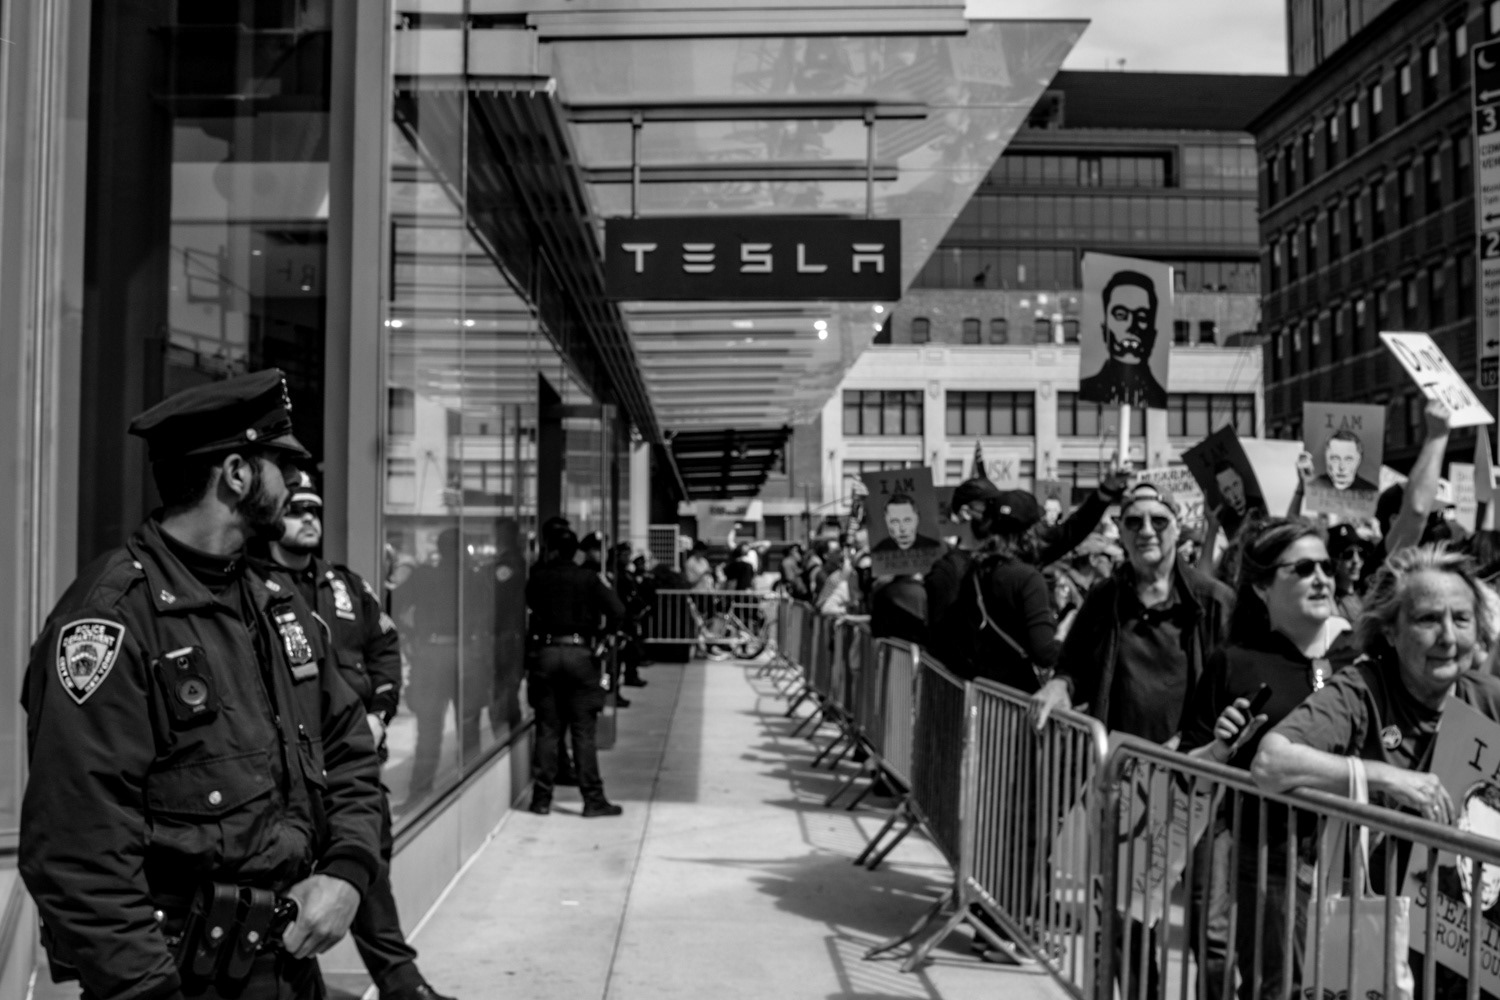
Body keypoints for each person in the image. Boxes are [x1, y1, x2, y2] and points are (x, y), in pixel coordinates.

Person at [19, 370, 383, 1000]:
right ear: (237, 474)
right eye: (280, 464)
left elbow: (348, 748)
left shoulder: (278, 604)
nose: (294, 482)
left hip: (288, 970)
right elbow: (77, 850)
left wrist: (347, 873)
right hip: (172, 982)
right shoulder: (112, 621)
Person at [1030, 481, 1235, 1000]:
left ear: (1177, 526)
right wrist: (1059, 684)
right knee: (1125, 925)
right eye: (1134, 521)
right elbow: (1072, 664)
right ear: (1119, 530)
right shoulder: (1105, 598)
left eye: (1158, 521)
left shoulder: (1212, 601)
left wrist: (1196, 743)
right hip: (1130, 786)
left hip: (1201, 784)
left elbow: (1236, 684)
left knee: (1210, 932)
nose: (1146, 530)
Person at [260, 473, 456, 1000]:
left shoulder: (345, 587)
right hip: (289, 776)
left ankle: (401, 982)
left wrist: (378, 714)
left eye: (315, 511)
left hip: (355, 765)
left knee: (367, 870)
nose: (308, 518)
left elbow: (385, 650)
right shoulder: (252, 588)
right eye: (296, 509)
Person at [1177, 518, 1358, 1000]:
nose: (1322, 578)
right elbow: (1188, 774)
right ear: (1261, 586)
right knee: (1275, 987)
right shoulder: (1235, 662)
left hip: (1349, 863)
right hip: (1268, 857)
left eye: (1327, 566)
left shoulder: (1358, 661)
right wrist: (1219, 748)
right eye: (1302, 568)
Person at [525, 528, 627, 817]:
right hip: (581, 654)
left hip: (545, 654)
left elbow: (530, 605)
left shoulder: (538, 577)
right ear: (575, 551)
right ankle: (592, 799)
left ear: (551, 549)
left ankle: (541, 799)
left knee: (547, 730)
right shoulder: (588, 578)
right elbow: (618, 611)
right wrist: (603, 639)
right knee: (583, 732)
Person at [394, 528, 485, 801]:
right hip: (462, 652)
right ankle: (472, 790)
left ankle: (420, 793)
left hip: (432, 653)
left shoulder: (424, 575)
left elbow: (394, 603)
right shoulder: (473, 578)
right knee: (467, 726)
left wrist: (410, 638)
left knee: (430, 730)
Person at [1079, 269, 1168, 409]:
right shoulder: (1090, 388)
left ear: (1153, 332)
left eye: (1142, 317)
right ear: (1104, 327)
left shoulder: (1157, 394)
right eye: (1120, 315)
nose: (1131, 326)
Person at [871, 493, 942, 554]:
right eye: (895, 521)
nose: (902, 529)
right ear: (886, 522)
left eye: (907, 520)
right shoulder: (877, 551)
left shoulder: (934, 546)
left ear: (917, 520)